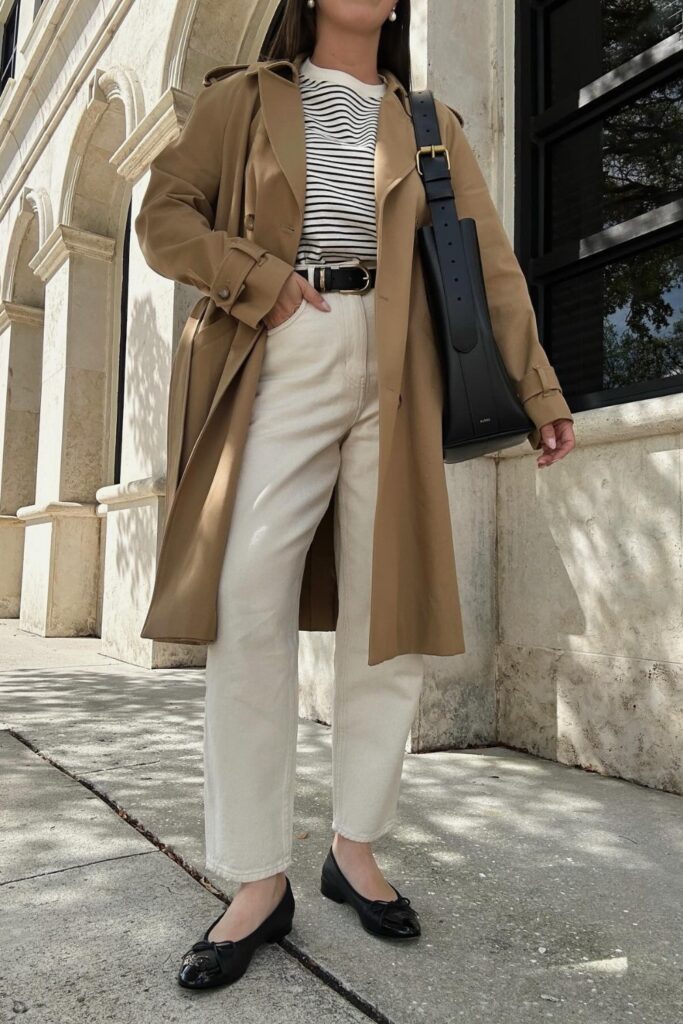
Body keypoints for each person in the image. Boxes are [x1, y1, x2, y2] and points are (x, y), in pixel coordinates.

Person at [136, 0, 576, 992]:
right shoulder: (243, 100)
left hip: (398, 367)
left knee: (393, 617)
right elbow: (163, 217)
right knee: (248, 601)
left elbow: (491, 268)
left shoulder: (428, 123)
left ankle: (354, 848)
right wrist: (260, 278)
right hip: (278, 345)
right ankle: (255, 876)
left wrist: (538, 386)